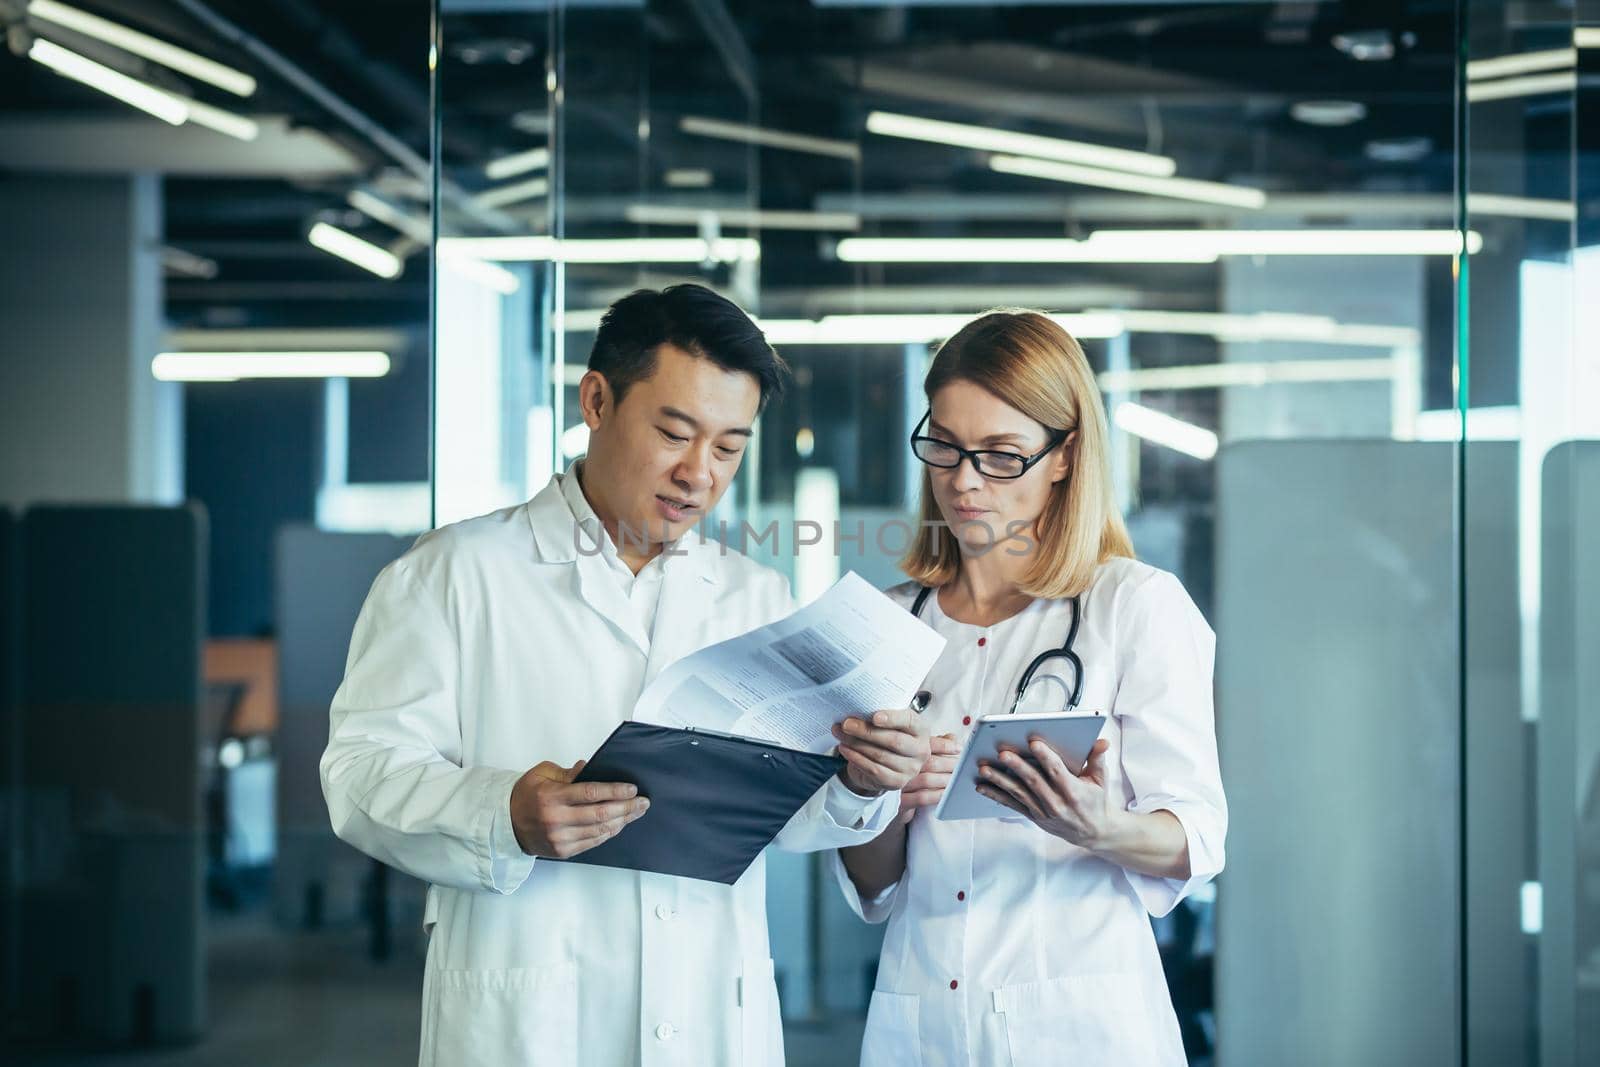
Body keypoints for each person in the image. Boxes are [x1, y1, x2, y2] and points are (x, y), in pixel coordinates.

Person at [321, 284, 931, 1066]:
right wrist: (504, 812)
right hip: (531, 1017)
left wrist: (860, 781)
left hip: (711, 1011)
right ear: (597, 400)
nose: (698, 473)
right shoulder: (451, 575)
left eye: (728, 447)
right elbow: (360, 774)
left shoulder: (754, 593)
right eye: (674, 433)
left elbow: (789, 818)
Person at [832, 310, 1227, 1067]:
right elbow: (875, 887)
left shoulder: (1133, 605)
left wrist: (1095, 823)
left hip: (1079, 1028)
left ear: (1065, 457)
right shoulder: (885, 624)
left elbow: (1198, 837)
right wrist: (881, 795)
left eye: (1000, 455)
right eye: (943, 445)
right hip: (921, 1025)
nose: (963, 479)